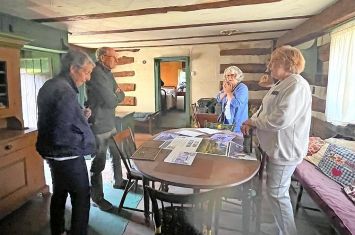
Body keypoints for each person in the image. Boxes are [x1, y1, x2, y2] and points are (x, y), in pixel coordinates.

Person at [241, 45, 312, 235]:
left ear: (287, 63)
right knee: (276, 192)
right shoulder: (283, 83)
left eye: (273, 61)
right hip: (276, 148)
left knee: (277, 193)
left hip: (286, 149)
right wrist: (252, 120)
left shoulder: (296, 85)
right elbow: (265, 109)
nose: (269, 66)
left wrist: (253, 121)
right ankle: (280, 227)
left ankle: (288, 231)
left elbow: (280, 119)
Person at [36, 49, 96, 235]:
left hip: (51, 152)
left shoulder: (51, 84)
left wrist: (81, 116)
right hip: (66, 154)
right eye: (86, 72)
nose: (87, 78)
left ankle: (58, 230)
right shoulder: (65, 91)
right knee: (81, 197)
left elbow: (59, 118)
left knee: (60, 193)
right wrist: (86, 142)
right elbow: (63, 131)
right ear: (73, 68)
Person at [86, 47, 126, 211]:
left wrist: (116, 95)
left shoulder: (108, 73)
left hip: (110, 123)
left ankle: (118, 181)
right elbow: (111, 100)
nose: (117, 60)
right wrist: (116, 95)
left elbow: (120, 94)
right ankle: (97, 197)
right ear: (103, 57)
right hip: (99, 125)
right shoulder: (96, 73)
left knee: (116, 155)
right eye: (114, 57)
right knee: (98, 163)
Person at [216, 65, 248, 133]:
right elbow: (218, 99)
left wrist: (228, 92)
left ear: (237, 75)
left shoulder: (242, 88)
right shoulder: (228, 86)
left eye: (232, 75)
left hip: (237, 124)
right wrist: (225, 91)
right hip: (225, 121)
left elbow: (237, 104)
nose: (229, 77)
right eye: (227, 75)